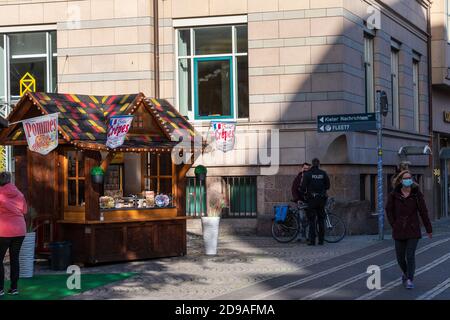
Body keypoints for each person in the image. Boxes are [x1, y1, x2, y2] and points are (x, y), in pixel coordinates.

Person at [385, 170, 432, 290]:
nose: (408, 180)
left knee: (410, 255)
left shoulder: (416, 194)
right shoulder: (394, 195)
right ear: (400, 180)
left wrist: (428, 228)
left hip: (413, 229)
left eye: (410, 177)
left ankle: (410, 279)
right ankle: (406, 274)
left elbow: (423, 212)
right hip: (399, 229)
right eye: (405, 178)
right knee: (400, 258)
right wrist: (394, 224)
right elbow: (388, 210)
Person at [0, 172, 28, 296]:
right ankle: (14, 288)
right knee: (15, 258)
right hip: (20, 230)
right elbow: (24, 210)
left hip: (4, 230)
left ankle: (0, 289)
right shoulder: (19, 194)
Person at [300, 158, 330, 246]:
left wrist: (304, 194)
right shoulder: (323, 173)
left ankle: (312, 241)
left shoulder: (308, 174)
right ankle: (321, 240)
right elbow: (328, 186)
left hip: (312, 200)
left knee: (312, 220)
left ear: (312, 164)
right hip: (321, 200)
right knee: (321, 220)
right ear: (319, 164)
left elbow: (303, 187)